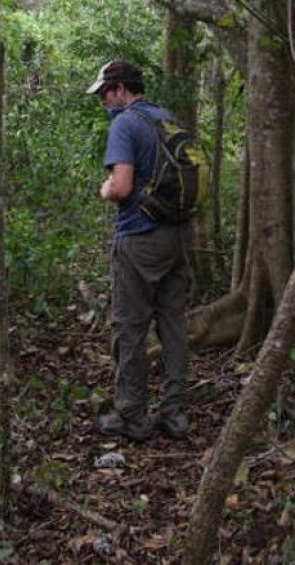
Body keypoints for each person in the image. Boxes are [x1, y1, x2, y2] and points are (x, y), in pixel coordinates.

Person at [88, 59, 192, 443]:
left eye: (104, 94)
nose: (103, 102)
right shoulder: (166, 118)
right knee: (173, 324)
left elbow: (121, 187)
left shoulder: (125, 123)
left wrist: (104, 188)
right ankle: (175, 412)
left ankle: (130, 415)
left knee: (130, 326)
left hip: (140, 237)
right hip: (178, 236)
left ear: (120, 89)